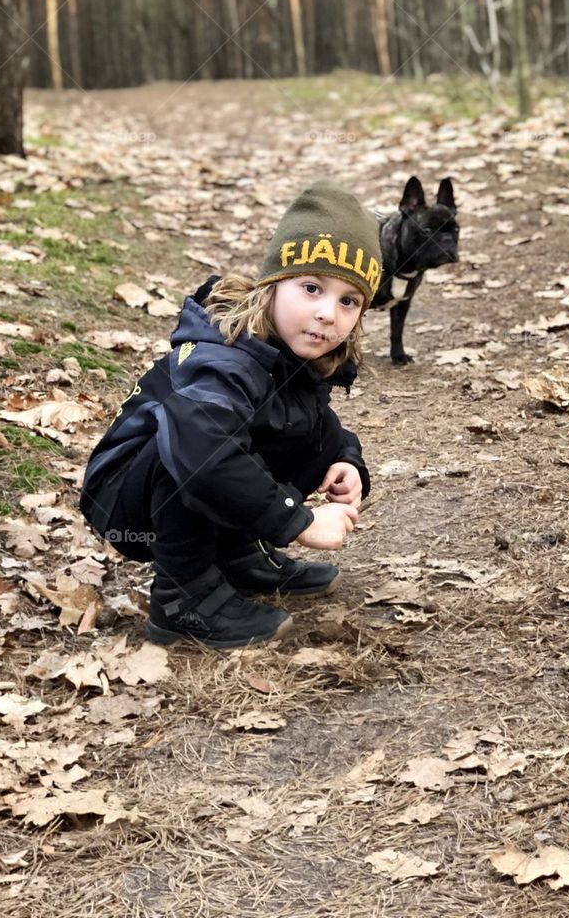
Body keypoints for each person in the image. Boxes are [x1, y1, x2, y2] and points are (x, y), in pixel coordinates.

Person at [80, 180, 382, 649]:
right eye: (311, 287)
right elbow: (201, 448)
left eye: (348, 301)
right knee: (200, 442)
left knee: (310, 434)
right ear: (272, 285)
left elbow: (316, 422)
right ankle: (182, 599)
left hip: (182, 470)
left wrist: (344, 459)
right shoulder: (226, 355)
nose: (327, 313)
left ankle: (237, 557)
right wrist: (297, 522)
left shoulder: (292, 354)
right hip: (126, 493)